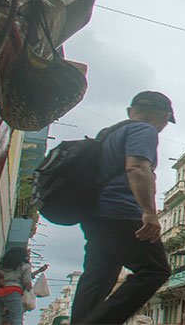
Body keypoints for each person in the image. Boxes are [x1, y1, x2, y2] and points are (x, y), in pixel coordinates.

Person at [70, 91, 175, 325]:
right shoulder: (144, 130)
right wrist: (149, 212)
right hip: (122, 212)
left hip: (95, 215)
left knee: (98, 277)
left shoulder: (108, 134)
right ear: (165, 117)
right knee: (155, 270)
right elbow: (137, 167)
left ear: (130, 111)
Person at [0, 248, 45, 325]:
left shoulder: (0, 265)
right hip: (12, 291)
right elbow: (27, 281)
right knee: (17, 315)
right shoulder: (26, 266)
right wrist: (30, 289)